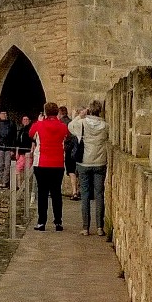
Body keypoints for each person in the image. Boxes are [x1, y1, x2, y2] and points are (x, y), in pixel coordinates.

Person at [69, 99, 109, 236]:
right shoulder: (105, 126)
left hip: (84, 162)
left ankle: (86, 228)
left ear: (89, 110)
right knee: (99, 194)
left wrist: (80, 116)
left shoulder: (82, 123)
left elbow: (70, 127)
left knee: (85, 194)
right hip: (100, 162)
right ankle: (100, 227)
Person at [29, 102, 69, 231]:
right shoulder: (63, 126)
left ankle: (41, 222)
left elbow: (31, 134)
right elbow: (66, 136)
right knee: (56, 193)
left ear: (45, 112)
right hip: (58, 163)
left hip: (42, 162)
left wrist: (39, 121)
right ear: (57, 112)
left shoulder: (39, 125)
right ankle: (58, 222)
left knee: (42, 193)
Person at [59, 105, 80, 200]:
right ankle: (77, 191)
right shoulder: (71, 122)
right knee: (75, 170)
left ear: (60, 113)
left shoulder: (61, 123)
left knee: (71, 171)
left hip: (68, 149)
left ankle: (74, 192)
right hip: (76, 149)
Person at [0, 110, 15, 188]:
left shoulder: (11, 124)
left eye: (5, 113)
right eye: (2, 113)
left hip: (8, 147)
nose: (4, 115)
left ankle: (5, 182)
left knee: (7, 166)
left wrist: (12, 148)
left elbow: (13, 137)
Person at [14, 114, 33, 187]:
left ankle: (27, 186)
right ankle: (20, 186)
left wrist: (31, 151)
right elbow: (18, 142)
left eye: (27, 119)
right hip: (21, 152)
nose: (25, 121)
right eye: (24, 119)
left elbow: (33, 141)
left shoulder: (31, 129)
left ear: (29, 121)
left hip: (28, 152)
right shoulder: (21, 130)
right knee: (18, 168)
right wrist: (17, 152)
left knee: (27, 170)